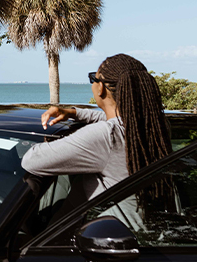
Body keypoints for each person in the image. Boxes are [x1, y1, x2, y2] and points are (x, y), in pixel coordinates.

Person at [22, 54, 172, 211]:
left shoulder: (105, 136)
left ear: (101, 88)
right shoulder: (157, 126)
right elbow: (117, 118)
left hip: (109, 225)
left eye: (93, 78)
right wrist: (74, 113)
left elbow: (31, 161)